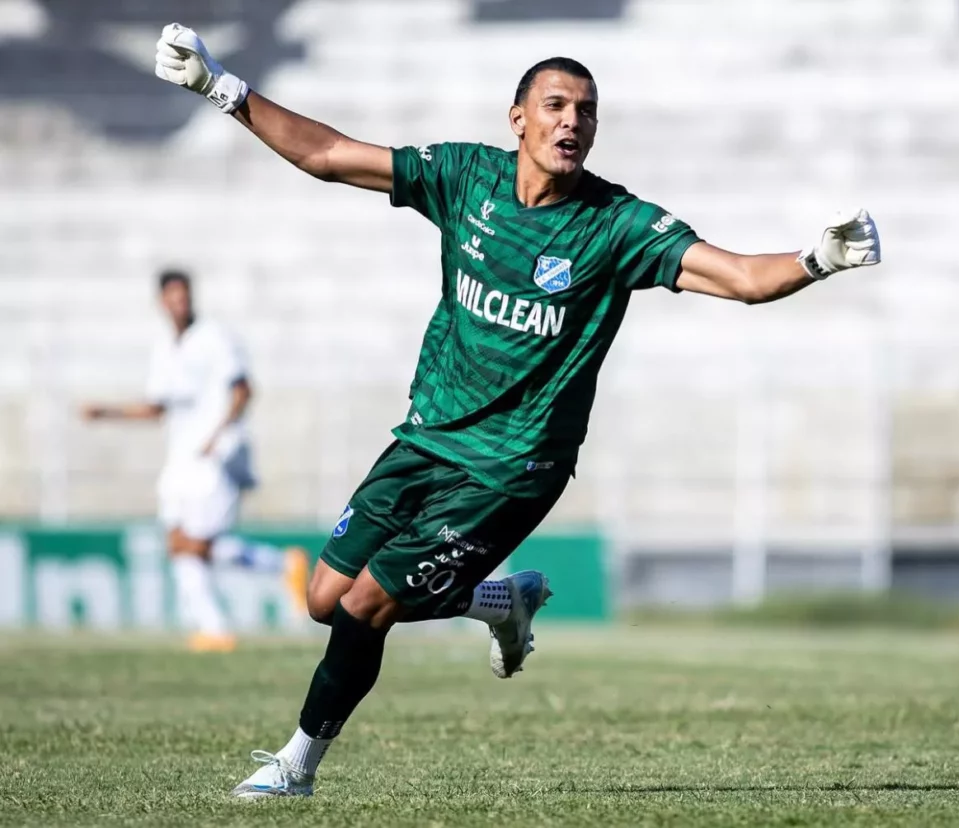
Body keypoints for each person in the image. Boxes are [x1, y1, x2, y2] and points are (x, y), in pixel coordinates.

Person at [153, 23, 882, 797]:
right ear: (519, 119)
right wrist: (219, 86)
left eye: (588, 111)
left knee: (365, 606)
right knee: (324, 599)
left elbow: (736, 276)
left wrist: (818, 260)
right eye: (557, 105)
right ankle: (504, 599)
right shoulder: (466, 178)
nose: (573, 122)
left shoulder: (615, 225)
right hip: (429, 436)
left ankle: (296, 766)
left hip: (515, 464)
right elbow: (328, 156)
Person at [81, 269, 309, 651]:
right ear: (161, 302)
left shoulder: (215, 339)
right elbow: (156, 409)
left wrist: (217, 434)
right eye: (172, 296)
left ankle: (226, 619)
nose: (179, 302)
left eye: (184, 295)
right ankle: (239, 605)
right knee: (179, 543)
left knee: (197, 545)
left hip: (216, 457)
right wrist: (106, 413)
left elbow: (243, 390)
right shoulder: (165, 348)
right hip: (181, 460)